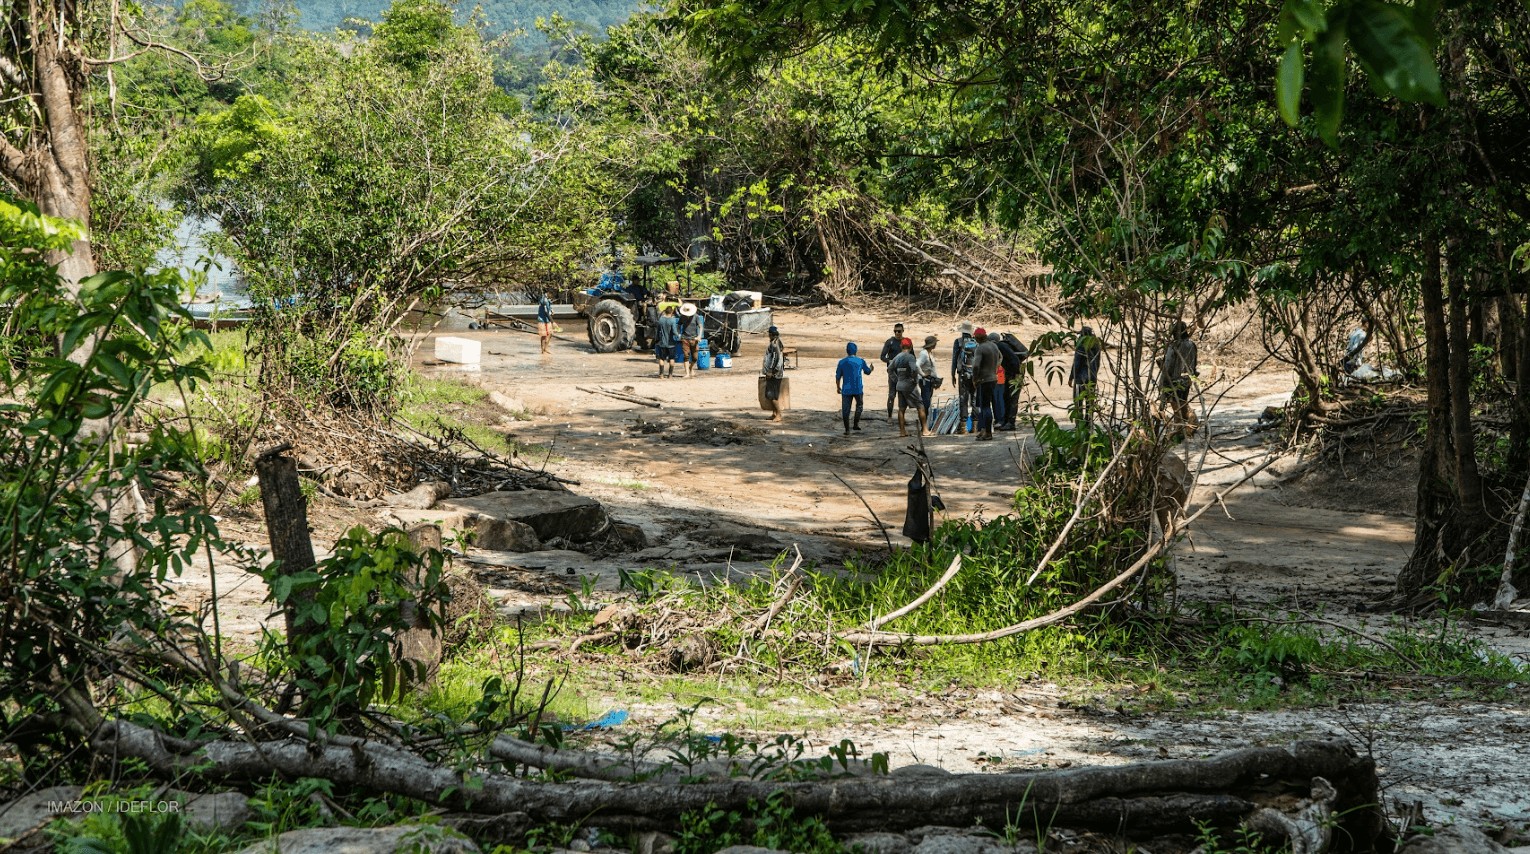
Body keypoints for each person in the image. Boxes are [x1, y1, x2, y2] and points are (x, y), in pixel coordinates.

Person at [1160, 319, 1199, 434]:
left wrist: (1164, 381)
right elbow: (1195, 362)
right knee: (1183, 402)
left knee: (1176, 406)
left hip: (1174, 380)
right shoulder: (1192, 345)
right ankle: (1187, 427)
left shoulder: (1174, 346)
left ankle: (1180, 428)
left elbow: (1168, 364)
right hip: (1187, 380)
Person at [835, 342, 874, 435]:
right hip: (858, 388)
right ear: (856, 351)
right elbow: (867, 372)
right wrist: (871, 368)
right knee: (859, 406)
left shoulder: (842, 362)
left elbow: (838, 376)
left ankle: (847, 429)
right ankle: (856, 424)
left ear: (847, 351)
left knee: (846, 409)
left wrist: (838, 387)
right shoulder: (860, 361)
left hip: (846, 389)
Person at [971, 328, 1002, 441]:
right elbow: (1000, 357)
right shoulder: (994, 346)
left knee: (985, 406)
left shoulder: (980, 348)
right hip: (993, 378)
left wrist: (975, 379)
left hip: (984, 380)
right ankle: (984, 429)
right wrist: (995, 368)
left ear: (978, 337)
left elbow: (975, 366)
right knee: (986, 405)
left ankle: (988, 432)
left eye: (975, 337)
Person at [1069, 325, 1103, 426]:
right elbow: (1098, 362)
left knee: (1078, 402)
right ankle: (1088, 422)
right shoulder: (1096, 344)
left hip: (1081, 378)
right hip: (1092, 376)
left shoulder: (1081, 344)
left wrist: (1071, 377)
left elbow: (1077, 363)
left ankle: (1079, 423)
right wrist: (1094, 373)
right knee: (1089, 402)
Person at [888, 337, 921, 437]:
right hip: (909, 385)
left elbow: (890, 369)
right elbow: (914, 370)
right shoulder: (910, 357)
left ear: (901, 346)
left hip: (900, 385)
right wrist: (915, 380)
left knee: (901, 409)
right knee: (920, 406)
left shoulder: (897, 357)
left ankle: (902, 431)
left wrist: (896, 379)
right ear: (911, 346)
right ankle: (924, 429)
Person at [994, 332, 1027, 430]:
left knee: (1013, 398)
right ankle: (1006, 421)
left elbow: (1014, 360)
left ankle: (1011, 423)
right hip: (1011, 373)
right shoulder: (1000, 346)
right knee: (1006, 396)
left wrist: (1016, 374)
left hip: (1016, 373)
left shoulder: (1000, 346)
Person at [950, 323, 976, 434]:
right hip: (975, 374)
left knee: (963, 399)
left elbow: (954, 359)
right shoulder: (976, 342)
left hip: (962, 374)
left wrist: (952, 374)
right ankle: (975, 426)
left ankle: (963, 427)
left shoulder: (958, 342)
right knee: (974, 399)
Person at [879, 322, 906, 419]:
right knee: (891, 395)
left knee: (903, 396)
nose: (897, 333)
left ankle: (901, 417)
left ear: (903, 331)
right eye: (895, 331)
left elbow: (913, 357)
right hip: (893, 372)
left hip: (904, 373)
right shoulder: (889, 342)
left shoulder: (906, 342)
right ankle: (889, 416)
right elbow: (882, 356)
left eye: (899, 331)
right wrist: (890, 361)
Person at [762, 326, 787, 422]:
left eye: (769, 334)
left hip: (774, 374)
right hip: (775, 373)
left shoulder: (774, 344)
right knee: (770, 395)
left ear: (771, 334)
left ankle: (779, 414)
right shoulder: (777, 342)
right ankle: (774, 413)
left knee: (772, 395)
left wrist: (770, 371)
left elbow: (775, 359)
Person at [917, 334, 941, 430]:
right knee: (925, 403)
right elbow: (917, 365)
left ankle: (925, 425)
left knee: (927, 402)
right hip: (925, 381)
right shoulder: (924, 354)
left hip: (929, 380)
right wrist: (923, 374)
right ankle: (924, 426)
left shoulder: (929, 353)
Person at [653, 306, 680, 378]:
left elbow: (658, 331)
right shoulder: (672, 320)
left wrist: (657, 339)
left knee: (661, 358)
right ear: (671, 312)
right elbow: (674, 331)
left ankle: (661, 374)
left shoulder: (661, 320)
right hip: (671, 344)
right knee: (672, 358)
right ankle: (670, 375)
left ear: (665, 311)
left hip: (662, 343)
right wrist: (679, 336)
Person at [680, 305, 702, 377]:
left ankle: (690, 368)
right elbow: (678, 325)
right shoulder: (682, 317)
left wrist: (699, 336)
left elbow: (700, 326)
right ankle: (687, 373)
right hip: (685, 338)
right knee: (686, 356)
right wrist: (678, 334)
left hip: (694, 339)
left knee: (695, 357)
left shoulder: (696, 316)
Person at [536, 290, 554, 355]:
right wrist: (553, 321)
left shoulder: (548, 300)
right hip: (542, 320)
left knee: (550, 333)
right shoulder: (544, 300)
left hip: (547, 319)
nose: (552, 296)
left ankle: (545, 348)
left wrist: (551, 310)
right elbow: (546, 312)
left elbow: (549, 307)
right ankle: (542, 350)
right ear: (548, 293)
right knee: (543, 335)